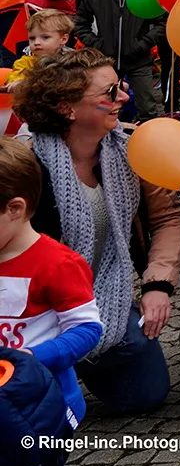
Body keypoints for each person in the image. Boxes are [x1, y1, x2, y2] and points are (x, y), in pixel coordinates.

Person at [18, 49, 180, 415]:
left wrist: (157, 285)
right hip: (35, 309)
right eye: (110, 92)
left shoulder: (134, 150)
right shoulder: (25, 163)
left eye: (121, 86)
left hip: (104, 296)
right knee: (36, 410)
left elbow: (168, 219)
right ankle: (50, 361)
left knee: (145, 394)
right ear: (67, 108)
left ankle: (80, 356)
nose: (123, 97)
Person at [0, 138, 104, 434]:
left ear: (15, 208)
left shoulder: (58, 264)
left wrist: (36, 356)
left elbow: (86, 329)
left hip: (41, 402)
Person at [73, 0, 164, 122]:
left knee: (147, 106)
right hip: (106, 61)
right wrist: (97, 44)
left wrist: (144, 43)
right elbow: (80, 23)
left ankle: (148, 131)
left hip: (138, 60)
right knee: (105, 105)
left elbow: (162, 22)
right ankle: (108, 130)